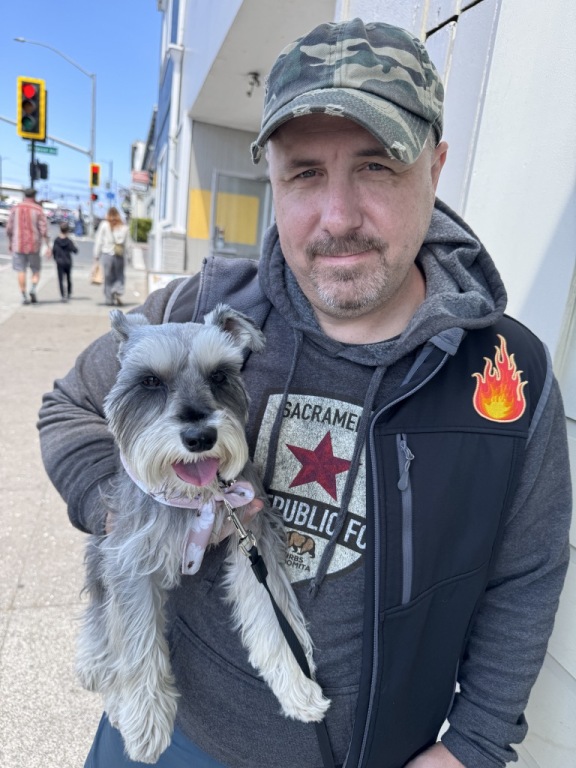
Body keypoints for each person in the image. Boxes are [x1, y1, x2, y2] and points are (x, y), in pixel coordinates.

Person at [37, 18, 571, 768]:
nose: (338, 217)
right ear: (273, 180)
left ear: (436, 165)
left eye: (377, 166)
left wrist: (473, 745)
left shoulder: (507, 376)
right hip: (166, 742)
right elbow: (67, 408)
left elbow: (527, 574)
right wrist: (126, 509)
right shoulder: (196, 311)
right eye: (305, 173)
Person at [7, 187, 50, 305]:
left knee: (21, 270)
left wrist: (10, 242)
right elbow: (44, 230)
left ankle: (23, 295)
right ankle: (33, 289)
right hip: (34, 245)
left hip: (18, 244)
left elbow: (9, 228)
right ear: (34, 196)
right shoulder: (38, 210)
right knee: (36, 269)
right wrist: (48, 245)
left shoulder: (15, 208)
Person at [93, 206, 129, 306]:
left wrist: (96, 255)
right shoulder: (124, 227)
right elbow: (127, 244)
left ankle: (109, 299)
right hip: (119, 254)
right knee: (119, 275)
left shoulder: (104, 225)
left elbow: (99, 240)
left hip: (107, 254)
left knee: (108, 277)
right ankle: (117, 290)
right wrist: (129, 256)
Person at [51, 222, 78, 302]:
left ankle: (63, 295)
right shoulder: (69, 241)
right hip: (68, 261)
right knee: (68, 278)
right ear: (67, 231)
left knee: (60, 279)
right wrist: (74, 244)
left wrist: (55, 258)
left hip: (59, 261)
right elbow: (75, 251)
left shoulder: (56, 240)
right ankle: (69, 293)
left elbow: (54, 250)